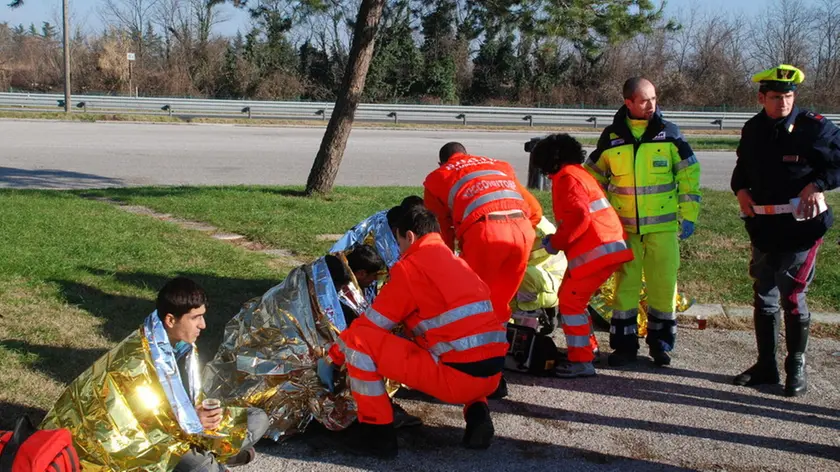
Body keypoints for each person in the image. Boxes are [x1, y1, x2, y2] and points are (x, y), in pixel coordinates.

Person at [321, 205, 508, 458]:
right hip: (492, 378)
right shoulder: (457, 263)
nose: (398, 249)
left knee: (359, 343)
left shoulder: (412, 269)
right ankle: (477, 415)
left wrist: (333, 356)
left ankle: (378, 436)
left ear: (409, 236)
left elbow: (367, 328)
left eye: (398, 241)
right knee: (462, 349)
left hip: (457, 381)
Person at [42, 277, 270, 472]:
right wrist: (191, 422)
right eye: (195, 317)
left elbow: (181, 400)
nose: (203, 325)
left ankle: (211, 456)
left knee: (258, 418)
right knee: (203, 467)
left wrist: (196, 414)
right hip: (146, 441)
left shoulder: (182, 345)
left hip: (181, 427)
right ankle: (214, 459)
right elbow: (136, 426)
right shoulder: (134, 361)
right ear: (170, 320)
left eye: (202, 316)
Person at [731, 64, 840, 397]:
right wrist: (740, 190)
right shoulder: (753, 128)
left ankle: (796, 367)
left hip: (800, 229)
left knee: (792, 296)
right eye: (776, 97)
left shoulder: (814, 128)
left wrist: (819, 184)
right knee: (764, 294)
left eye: (788, 96)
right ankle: (767, 366)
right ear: (762, 97)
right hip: (764, 227)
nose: (783, 102)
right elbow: (742, 167)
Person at [586, 77, 702, 367]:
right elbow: (592, 178)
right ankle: (624, 348)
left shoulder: (670, 134)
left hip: (662, 229)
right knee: (625, 286)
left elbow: (689, 177)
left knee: (663, 286)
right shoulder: (612, 137)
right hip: (624, 229)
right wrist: (600, 215)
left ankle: (660, 346)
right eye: (643, 100)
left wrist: (688, 216)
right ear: (628, 103)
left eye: (653, 98)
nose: (651, 105)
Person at [532, 134, 634, 377]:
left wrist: (555, 243)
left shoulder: (567, 177)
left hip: (596, 251)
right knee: (572, 299)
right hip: (604, 249)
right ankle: (588, 350)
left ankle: (582, 361)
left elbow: (578, 216)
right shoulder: (578, 174)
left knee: (570, 302)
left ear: (551, 161)